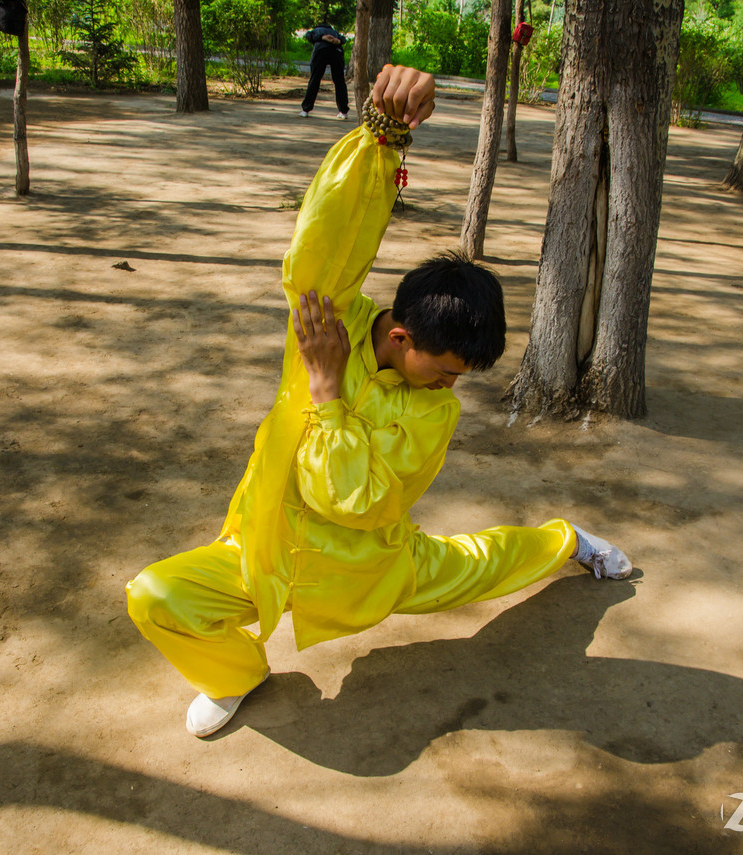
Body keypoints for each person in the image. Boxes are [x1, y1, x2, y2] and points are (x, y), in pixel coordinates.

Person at [127, 65, 633, 739]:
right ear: (400, 335)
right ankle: (235, 674)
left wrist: (326, 394)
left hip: (367, 566)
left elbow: (355, 502)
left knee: (479, 563)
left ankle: (568, 539)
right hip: (263, 548)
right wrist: (383, 137)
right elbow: (329, 236)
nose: (452, 388)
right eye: (445, 371)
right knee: (153, 596)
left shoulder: (431, 412)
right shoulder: (327, 322)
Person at [300, 20, 349, 119]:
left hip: (320, 51)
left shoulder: (316, 31)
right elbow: (343, 39)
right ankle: (343, 111)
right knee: (339, 81)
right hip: (336, 52)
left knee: (314, 80)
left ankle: (305, 110)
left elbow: (308, 36)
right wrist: (337, 41)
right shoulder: (335, 33)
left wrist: (322, 38)